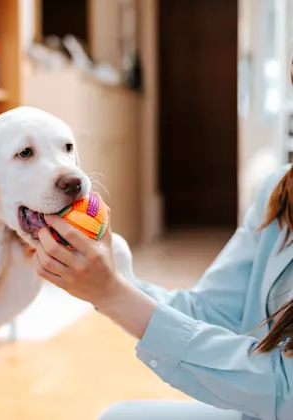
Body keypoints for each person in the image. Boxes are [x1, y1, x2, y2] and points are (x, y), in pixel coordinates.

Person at [26, 66, 293, 420]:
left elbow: (283, 390)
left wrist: (113, 296)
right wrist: (110, 282)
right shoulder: (278, 193)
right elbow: (212, 311)